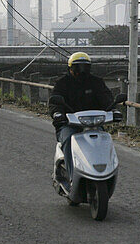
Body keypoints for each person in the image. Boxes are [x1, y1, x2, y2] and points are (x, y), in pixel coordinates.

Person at [49, 52, 114, 185]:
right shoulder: (62, 83)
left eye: (85, 67)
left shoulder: (96, 82)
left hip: (93, 124)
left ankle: (107, 173)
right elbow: (54, 102)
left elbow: (106, 99)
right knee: (68, 139)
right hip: (69, 124)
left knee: (105, 140)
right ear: (70, 68)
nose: (82, 71)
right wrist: (57, 114)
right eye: (78, 68)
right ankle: (72, 177)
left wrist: (113, 109)